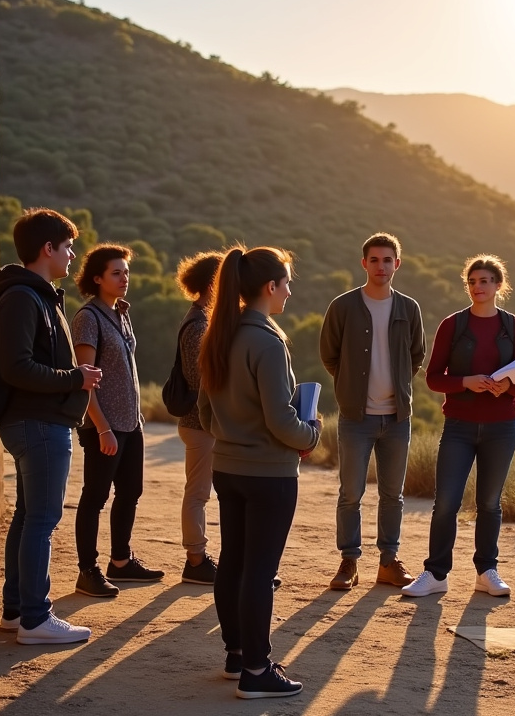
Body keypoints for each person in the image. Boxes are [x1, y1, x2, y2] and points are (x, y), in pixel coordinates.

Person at [198, 245, 320, 699]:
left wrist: (232, 436)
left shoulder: (220, 335)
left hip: (227, 468)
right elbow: (280, 421)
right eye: (287, 283)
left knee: (233, 563)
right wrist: (311, 434)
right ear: (270, 287)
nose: (290, 291)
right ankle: (256, 669)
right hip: (269, 475)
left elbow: (204, 412)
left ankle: (236, 657)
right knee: (259, 572)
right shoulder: (267, 342)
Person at [0, 208, 102, 644]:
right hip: (39, 424)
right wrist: (77, 377)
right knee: (42, 520)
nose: (73, 254)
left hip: (36, 423)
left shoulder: (34, 294)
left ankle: (17, 611)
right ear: (47, 249)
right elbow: (16, 367)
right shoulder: (24, 297)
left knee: (28, 517)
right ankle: (36, 618)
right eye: (68, 246)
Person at [401, 254, 515, 599]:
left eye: (485, 281)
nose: (478, 288)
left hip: (502, 427)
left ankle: (487, 572)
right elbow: (433, 378)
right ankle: (435, 574)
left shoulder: (514, 326)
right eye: (472, 282)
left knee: (490, 502)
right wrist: (466, 382)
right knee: (446, 501)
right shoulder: (452, 325)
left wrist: (506, 387)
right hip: (458, 426)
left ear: (499, 286)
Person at [319, 233, 426, 591]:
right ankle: (349, 562)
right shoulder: (343, 306)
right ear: (364, 263)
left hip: (397, 418)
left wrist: (395, 383)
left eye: (388, 260)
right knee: (350, 492)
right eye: (374, 260)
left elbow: (416, 356)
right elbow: (330, 355)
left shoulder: (409, 308)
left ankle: (388, 561)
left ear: (398, 264)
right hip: (355, 417)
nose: (381, 266)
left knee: (393, 494)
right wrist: (351, 385)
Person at [69, 244, 164, 599]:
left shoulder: (121, 312)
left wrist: (130, 421)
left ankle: (120, 562)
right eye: (116, 273)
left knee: (130, 492)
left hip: (130, 421)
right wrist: (102, 426)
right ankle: (87, 570)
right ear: (97, 278)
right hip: (104, 425)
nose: (124, 278)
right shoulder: (88, 318)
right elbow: (85, 378)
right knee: (95, 496)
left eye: (126, 271)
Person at [174, 250, 226, 585]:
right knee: (198, 493)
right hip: (200, 424)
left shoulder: (205, 320)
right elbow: (201, 382)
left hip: (206, 425)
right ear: (212, 284)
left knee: (203, 492)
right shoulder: (198, 326)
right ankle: (195, 559)